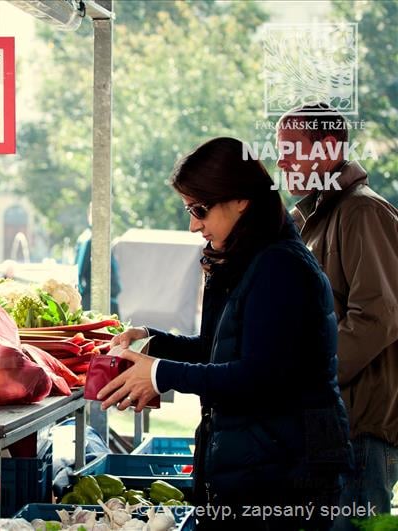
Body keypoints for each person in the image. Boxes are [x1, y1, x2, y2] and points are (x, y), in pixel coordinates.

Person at [100, 137, 352, 530]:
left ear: (241, 200)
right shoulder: (242, 259)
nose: (193, 224)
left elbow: (259, 377)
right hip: (253, 465)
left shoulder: (281, 267)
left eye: (199, 209)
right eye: (189, 210)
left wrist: (160, 374)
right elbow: (216, 349)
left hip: (285, 478)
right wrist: (152, 341)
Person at [277, 103, 398, 529]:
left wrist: (307, 378)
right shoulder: (316, 216)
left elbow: (377, 316)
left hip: (360, 432)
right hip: (333, 426)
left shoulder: (362, 212)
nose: (281, 162)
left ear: (328, 148)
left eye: (290, 149)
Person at [75, 206, 122, 314]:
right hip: (95, 300)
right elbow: (79, 273)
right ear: (90, 216)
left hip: (109, 298)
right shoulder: (89, 240)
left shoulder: (102, 238)